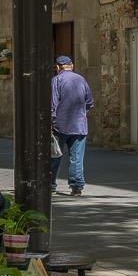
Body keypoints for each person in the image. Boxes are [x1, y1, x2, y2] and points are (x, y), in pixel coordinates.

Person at [51, 55, 94, 196]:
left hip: (60, 125)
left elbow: (53, 104)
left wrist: (49, 123)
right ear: (72, 65)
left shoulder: (56, 80)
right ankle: (76, 187)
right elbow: (89, 103)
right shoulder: (81, 79)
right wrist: (80, 115)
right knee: (77, 158)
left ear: (58, 67)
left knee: (54, 155)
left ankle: (50, 186)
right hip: (79, 126)